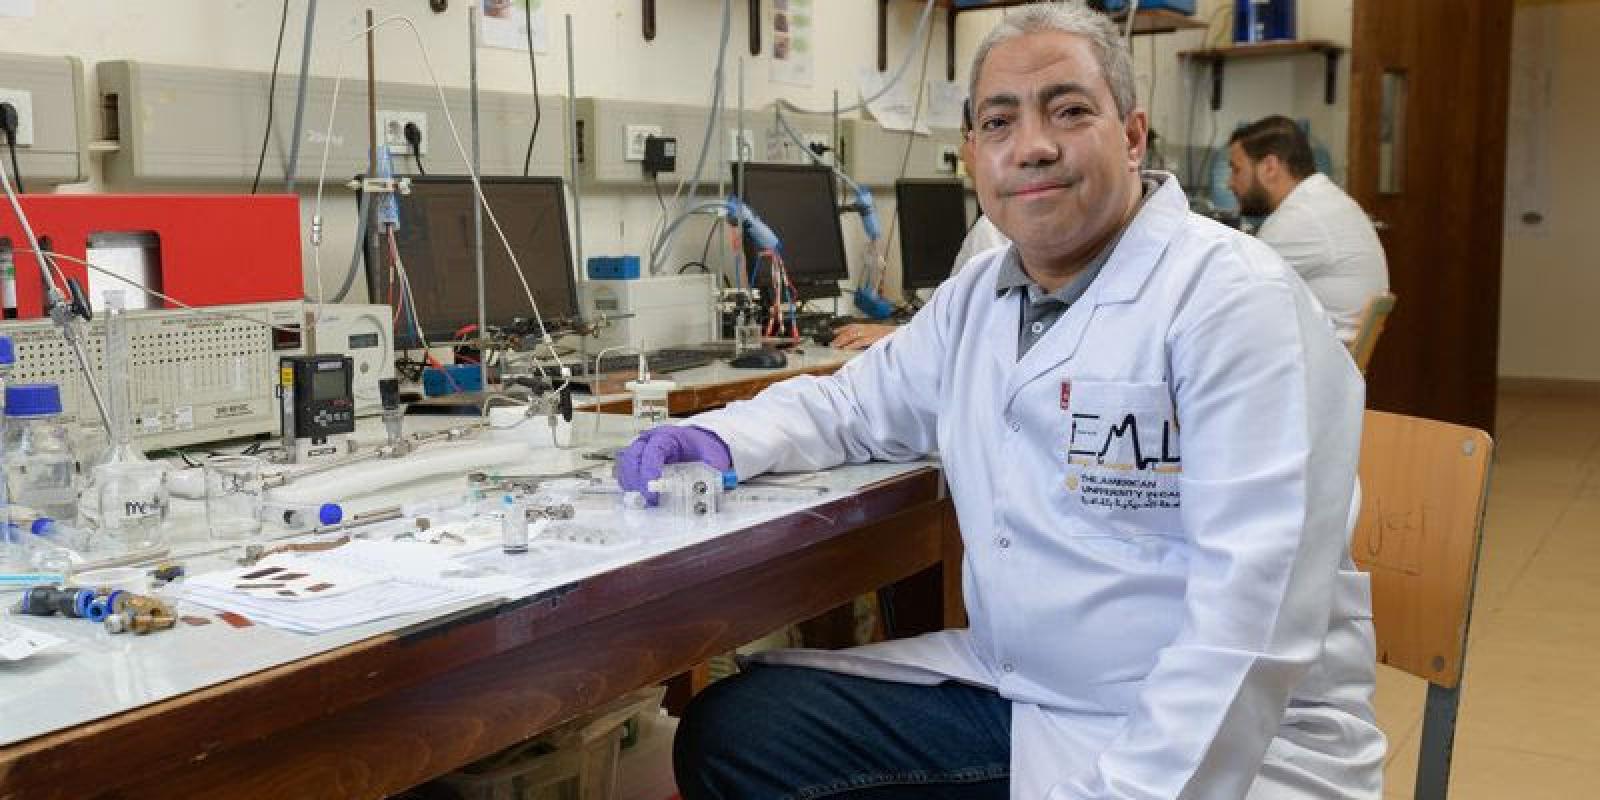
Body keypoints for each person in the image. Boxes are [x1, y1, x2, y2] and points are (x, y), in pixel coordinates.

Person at [620, 3, 1383, 797]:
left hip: (1228, 741)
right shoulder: (979, 295)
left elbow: (1247, 630)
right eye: (999, 121)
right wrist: (717, 439)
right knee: (738, 734)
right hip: (1038, 698)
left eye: (1070, 110)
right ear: (972, 155)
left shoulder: (1233, 300)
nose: (1034, 145)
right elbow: (850, 406)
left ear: (1132, 135)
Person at [830, 106, 1011, 351]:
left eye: (963, 137)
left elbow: (967, 327)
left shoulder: (990, 228)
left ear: (979, 140)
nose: (959, 152)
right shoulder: (1010, 221)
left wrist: (896, 334)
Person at [1227, 115, 1389, 343]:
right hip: (1329, 361)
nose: (1229, 183)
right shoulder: (1324, 202)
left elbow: (1228, 289)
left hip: (1312, 369)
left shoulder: (1302, 217)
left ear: (1270, 168)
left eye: (1236, 170)